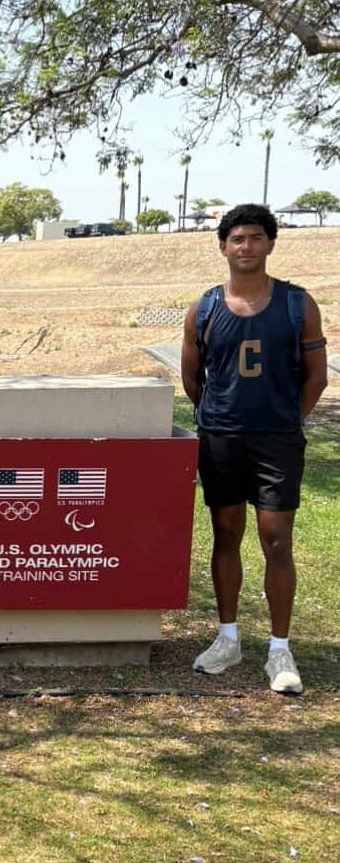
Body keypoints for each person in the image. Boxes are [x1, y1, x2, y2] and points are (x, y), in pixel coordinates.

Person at [180, 203, 328, 694]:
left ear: (270, 244)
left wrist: (285, 422)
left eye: (256, 238)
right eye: (237, 238)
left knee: (276, 539)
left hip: (277, 441)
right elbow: (192, 378)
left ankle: (279, 649)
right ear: (223, 247)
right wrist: (221, 417)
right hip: (222, 438)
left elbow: (317, 378)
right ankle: (227, 638)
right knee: (225, 533)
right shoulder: (203, 308)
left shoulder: (297, 304)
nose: (246, 246)